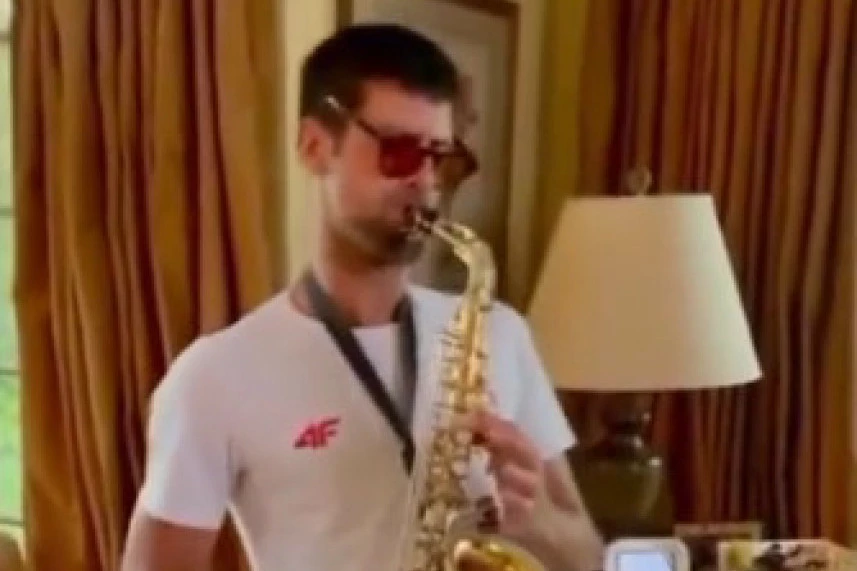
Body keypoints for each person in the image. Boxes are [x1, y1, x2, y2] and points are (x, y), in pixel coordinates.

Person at [120, 23, 604, 571]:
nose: (425, 181)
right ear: (314, 147)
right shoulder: (213, 376)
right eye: (399, 152)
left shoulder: (502, 334)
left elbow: (588, 558)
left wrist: (542, 523)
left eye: (441, 158)